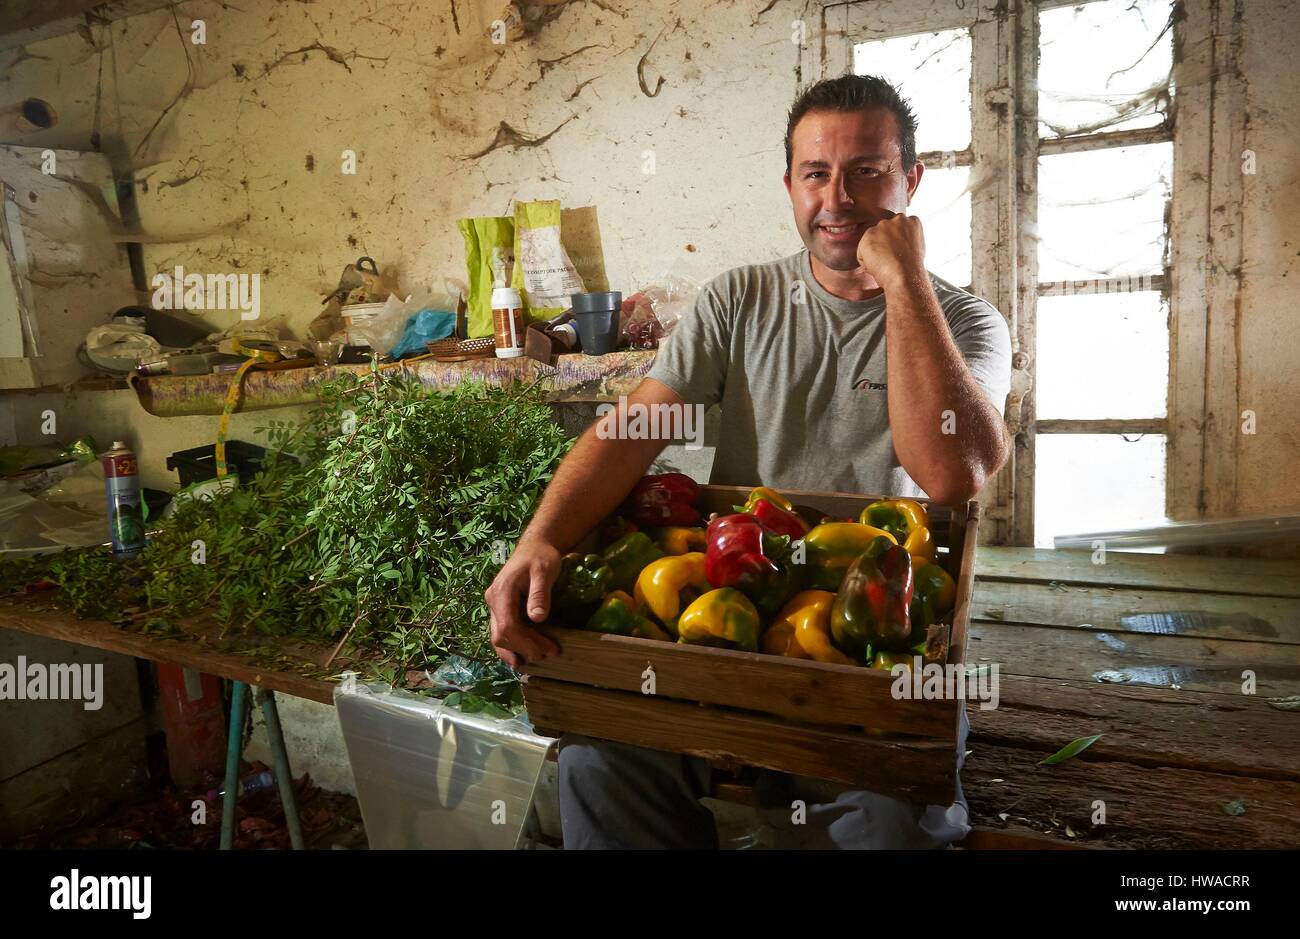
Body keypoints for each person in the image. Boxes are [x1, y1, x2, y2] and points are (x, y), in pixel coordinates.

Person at [484, 74, 1013, 849]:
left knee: (893, 820)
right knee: (597, 769)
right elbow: (635, 429)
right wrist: (542, 539)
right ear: (789, 185)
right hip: (736, 600)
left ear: (911, 182)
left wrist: (902, 280)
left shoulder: (963, 322)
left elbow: (950, 476)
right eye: (816, 173)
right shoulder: (738, 300)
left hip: (874, 640)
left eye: (868, 170)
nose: (839, 197)